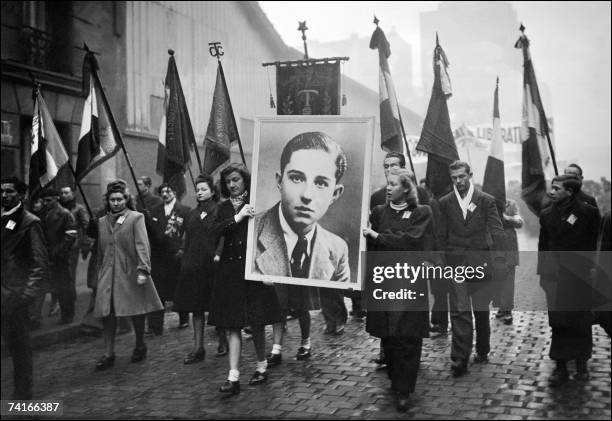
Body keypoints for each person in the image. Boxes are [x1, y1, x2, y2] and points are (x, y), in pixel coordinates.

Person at [250, 132, 350, 366]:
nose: (307, 195)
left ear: (335, 194)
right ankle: (276, 348)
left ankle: (305, 342)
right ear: (279, 181)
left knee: (301, 305)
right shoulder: (255, 232)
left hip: (303, 291)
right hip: (271, 289)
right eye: (296, 178)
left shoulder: (337, 248)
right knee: (277, 305)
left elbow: (341, 287)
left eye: (321, 183)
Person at [209, 163, 282, 396]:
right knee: (232, 324)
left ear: (244, 181)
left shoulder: (257, 202)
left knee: (257, 322)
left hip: (253, 270)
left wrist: (269, 271)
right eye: (228, 181)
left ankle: (261, 366)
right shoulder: (222, 208)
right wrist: (238, 217)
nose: (232, 185)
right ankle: (233, 377)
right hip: (230, 271)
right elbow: (215, 231)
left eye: (236, 180)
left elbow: (271, 234)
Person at [363, 169, 433, 412]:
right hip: (384, 281)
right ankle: (396, 379)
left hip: (409, 282)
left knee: (408, 337)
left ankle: (405, 389)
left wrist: (378, 236)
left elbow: (410, 241)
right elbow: (372, 245)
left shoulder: (421, 212)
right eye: (387, 184)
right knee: (389, 335)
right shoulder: (379, 213)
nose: (388, 188)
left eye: (393, 184)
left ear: (406, 188)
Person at [437, 160, 505, 377]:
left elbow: (497, 231)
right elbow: (440, 235)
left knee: (481, 310)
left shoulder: (486, 201)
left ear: (470, 175)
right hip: (455, 264)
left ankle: (483, 349)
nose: (459, 182)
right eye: (454, 178)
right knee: (458, 311)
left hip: (480, 264)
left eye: (462, 177)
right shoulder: (445, 202)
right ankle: (460, 358)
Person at [92, 180, 163, 370]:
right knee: (108, 314)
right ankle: (108, 353)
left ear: (126, 199)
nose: (116, 203)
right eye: (112, 200)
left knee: (135, 311)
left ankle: (140, 344)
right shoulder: (101, 222)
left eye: (119, 199)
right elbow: (100, 250)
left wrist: (143, 269)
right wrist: (98, 274)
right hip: (108, 274)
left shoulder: (135, 218)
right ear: (108, 201)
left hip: (129, 272)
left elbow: (142, 244)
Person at [538, 174, 600, 385]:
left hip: (579, 277)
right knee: (559, 322)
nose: (551, 192)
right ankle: (561, 366)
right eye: (551, 188)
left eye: (556, 189)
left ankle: (582, 364)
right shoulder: (546, 215)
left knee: (580, 321)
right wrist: (544, 276)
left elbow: (593, 245)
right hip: (555, 278)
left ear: (569, 192)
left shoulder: (588, 213)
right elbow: (543, 248)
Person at [173, 174, 228, 363]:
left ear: (213, 192)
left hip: (214, 265)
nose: (200, 192)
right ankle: (198, 348)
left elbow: (224, 236)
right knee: (196, 307)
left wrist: (219, 253)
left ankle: (223, 341)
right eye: (197, 190)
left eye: (204, 189)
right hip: (194, 265)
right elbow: (187, 238)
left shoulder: (220, 211)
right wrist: (183, 255)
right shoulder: (192, 214)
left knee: (217, 305)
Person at [1, 177, 47, 399]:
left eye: (9, 192)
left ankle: (22, 399)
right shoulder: (3, 217)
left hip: (15, 296)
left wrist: (26, 295)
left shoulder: (29, 222)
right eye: (1, 192)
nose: (4, 196)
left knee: (20, 350)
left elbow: (39, 263)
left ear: (20, 194)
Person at [146, 183, 190, 334]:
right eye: (162, 192)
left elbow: (187, 234)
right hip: (159, 258)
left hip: (176, 256)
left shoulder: (184, 211)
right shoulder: (154, 211)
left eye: (168, 191)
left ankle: (184, 319)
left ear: (175, 193)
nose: (165, 194)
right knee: (158, 292)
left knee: (179, 289)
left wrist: (183, 250)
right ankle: (155, 325)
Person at [36, 188, 77, 325]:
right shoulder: (41, 214)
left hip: (60, 258)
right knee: (49, 287)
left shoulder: (64, 214)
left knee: (63, 287)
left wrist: (57, 251)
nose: (46, 203)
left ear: (57, 198)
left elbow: (71, 235)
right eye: (44, 201)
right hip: (46, 256)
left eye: (49, 200)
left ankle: (67, 315)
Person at [60, 185, 92, 308]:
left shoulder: (78, 208)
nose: (64, 195)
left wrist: (85, 243)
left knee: (70, 272)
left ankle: (71, 298)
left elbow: (86, 225)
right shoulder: (59, 208)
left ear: (72, 194)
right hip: (59, 244)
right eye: (62, 193)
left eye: (66, 192)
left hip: (73, 244)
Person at [493, 198, 523, 325]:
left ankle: (507, 309)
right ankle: (501, 306)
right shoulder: (484, 202)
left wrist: (506, 218)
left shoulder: (510, 203)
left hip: (508, 246)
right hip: (493, 245)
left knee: (508, 278)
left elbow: (519, 222)